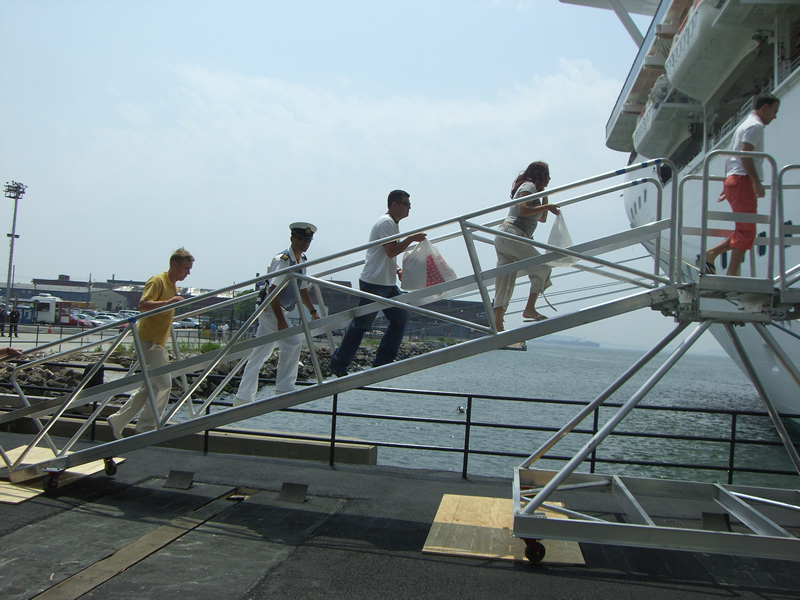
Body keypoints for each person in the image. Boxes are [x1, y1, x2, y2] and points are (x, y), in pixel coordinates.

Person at [329, 190, 426, 376]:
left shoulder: (392, 224)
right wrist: (411, 239)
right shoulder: (386, 223)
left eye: (409, 204)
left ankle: (383, 360)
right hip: (374, 282)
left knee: (401, 318)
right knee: (361, 325)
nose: (409, 208)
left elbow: (386, 254)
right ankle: (338, 363)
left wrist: (397, 269)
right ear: (394, 205)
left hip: (386, 283)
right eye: (406, 204)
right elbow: (390, 251)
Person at [107, 248, 194, 438]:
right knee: (163, 384)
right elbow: (143, 305)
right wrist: (168, 303)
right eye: (186, 268)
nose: (188, 272)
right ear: (175, 265)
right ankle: (146, 428)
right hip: (148, 340)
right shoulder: (158, 281)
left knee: (148, 387)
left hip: (157, 342)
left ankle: (118, 420)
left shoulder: (173, 286)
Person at [234, 223, 321, 405]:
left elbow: (303, 290)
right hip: (270, 309)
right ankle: (284, 388)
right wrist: (281, 320)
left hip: (280, 310)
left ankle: (242, 398)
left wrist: (313, 311)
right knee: (293, 342)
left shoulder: (302, 261)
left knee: (260, 354)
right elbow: (273, 291)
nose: (305, 243)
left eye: (308, 240)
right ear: (292, 239)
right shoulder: (282, 260)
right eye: (301, 239)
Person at [705, 94, 780, 277]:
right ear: (765, 108)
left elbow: (733, 155)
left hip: (735, 180)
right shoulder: (755, 126)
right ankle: (731, 274)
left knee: (744, 229)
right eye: (774, 111)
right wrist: (756, 181)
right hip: (742, 180)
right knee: (747, 231)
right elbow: (745, 155)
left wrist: (728, 183)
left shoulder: (745, 125)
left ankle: (712, 255)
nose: (775, 116)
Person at [493, 161, 560, 332]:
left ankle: (498, 323)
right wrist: (546, 205)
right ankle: (529, 309)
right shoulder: (528, 186)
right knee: (543, 268)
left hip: (507, 237)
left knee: (505, 280)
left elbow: (542, 218)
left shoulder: (535, 191)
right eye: (547, 175)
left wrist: (545, 196)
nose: (550, 178)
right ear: (540, 175)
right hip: (513, 235)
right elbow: (523, 210)